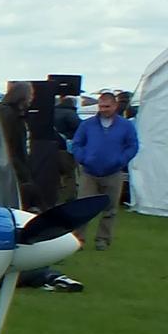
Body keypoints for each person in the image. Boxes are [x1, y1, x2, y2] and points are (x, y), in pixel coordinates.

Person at [70, 92, 140, 250]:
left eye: (107, 106)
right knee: (82, 207)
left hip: (113, 173)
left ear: (115, 106)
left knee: (110, 209)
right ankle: (77, 239)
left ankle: (103, 240)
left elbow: (133, 145)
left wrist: (121, 160)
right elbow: (77, 144)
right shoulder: (87, 125)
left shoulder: (126, 126)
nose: (104, 110)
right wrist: (83, 158)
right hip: (89, 173)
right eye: (101, 106)